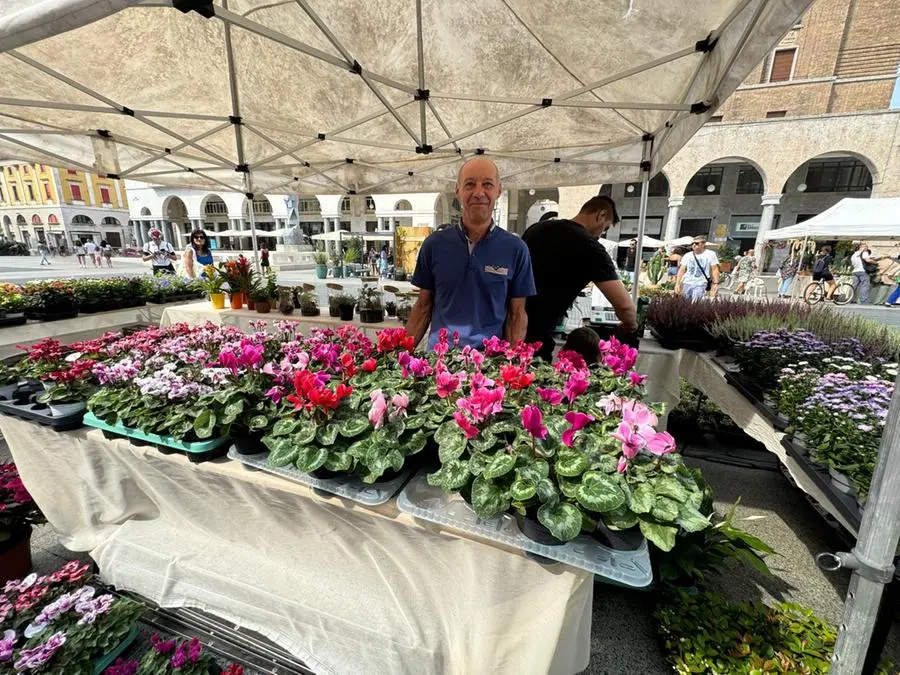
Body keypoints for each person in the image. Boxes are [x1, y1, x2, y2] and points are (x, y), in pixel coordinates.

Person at [406, 157, 535, 350]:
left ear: (499, 190)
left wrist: (513, 363)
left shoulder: (516, 249)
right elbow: (423, 307)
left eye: (487, 184)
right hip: (439, 364)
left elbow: (517, 316)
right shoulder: (434, 245)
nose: (478, 192)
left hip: (487, 367)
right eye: (470, 184)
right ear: (458, 190)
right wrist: (399, 356)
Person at [522, 195, 637, 362]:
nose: (600, 234)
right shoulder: (590, 247)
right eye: (604, 228)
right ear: (601, 215)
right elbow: (625, 307)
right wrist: (630, 324)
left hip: (510, 325)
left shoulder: (537, 229)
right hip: (538, 336)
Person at [675, 236, 719, 300]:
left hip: (701, 283)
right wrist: (677, 283)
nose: (694, 245)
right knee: (685, 303)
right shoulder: (687, 255)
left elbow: (715, 269)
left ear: (703, 244)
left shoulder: (710, 254)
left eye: (697, 243)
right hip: (686, 282)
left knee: (695, 302)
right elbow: (681, 270)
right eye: (692, 243)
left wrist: (716, 284)